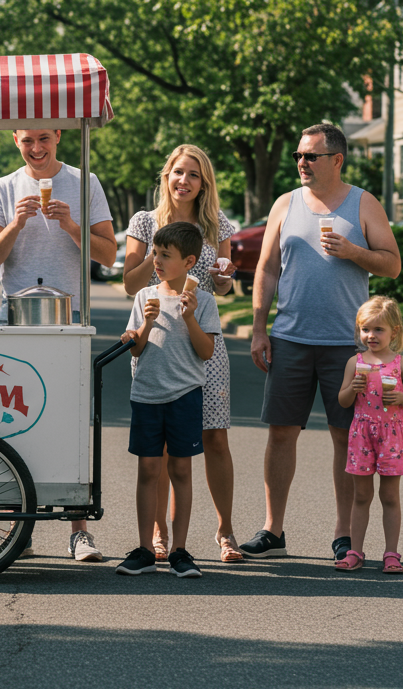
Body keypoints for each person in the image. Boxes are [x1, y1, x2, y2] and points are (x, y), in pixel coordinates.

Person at [244, 123, 402, 560]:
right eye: (298, 156)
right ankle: (272, 530)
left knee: (345, 436)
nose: (301, 163)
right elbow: (267, 268)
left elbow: (392, 265)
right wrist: (260, 326)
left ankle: (344, 533)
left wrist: (355, 252)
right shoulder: (285, 204)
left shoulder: (363, 203)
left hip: (347, 346)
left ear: (337, 159)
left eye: (310, 156)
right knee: (280, 433)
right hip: (290, 337)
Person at [0, 128, 116, 562]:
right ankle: (20, 530)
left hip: (68, 318)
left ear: (59, 134)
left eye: (44, 138)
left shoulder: (85, 182)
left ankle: (78, 531)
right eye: (27, 141)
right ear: (14, 140)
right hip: (16, 319)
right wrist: (17, 223)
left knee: (71, 421)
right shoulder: (3, 187)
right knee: (11, 418)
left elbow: (108, 255)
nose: (36, 149)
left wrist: (71, 226)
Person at [122, 144, 242, 563]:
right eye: (178, 172)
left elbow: (225, 288)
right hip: (156, 339)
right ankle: (158, 533)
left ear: (203, 183)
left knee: (214, 438)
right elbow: (128, 284)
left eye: (193, 175)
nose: (184, 181)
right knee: (163, 449)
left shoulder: (216, 225)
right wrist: (160, 258)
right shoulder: (144, 221)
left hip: (201, 336)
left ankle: (225, 531)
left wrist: (221, 277)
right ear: (166, 176)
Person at [116, 222, 221, 578]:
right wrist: (142, 327)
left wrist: (189, 317)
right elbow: (138, 348)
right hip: (146, 394)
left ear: (189, 261)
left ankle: (180, 550)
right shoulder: (144, 297)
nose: (156, 261)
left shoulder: (203, 301)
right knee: (148, 469)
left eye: (165, 255)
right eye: (155, 253)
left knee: (180, 469)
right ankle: (146, 548)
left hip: (184, 395)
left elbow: (206, 352)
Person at [335, 296, 403, 573]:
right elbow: (343, 401)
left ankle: (391, 554)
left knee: (390, 496)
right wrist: (353, 389)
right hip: (362, 435)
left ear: (394, 331)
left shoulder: (401, 364)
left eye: (378, 329)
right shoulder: (355, 362)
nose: (371, 335)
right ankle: (355, 551)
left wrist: (400, 397)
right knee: (361, 496)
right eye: (365, 329)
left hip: (391, 436)